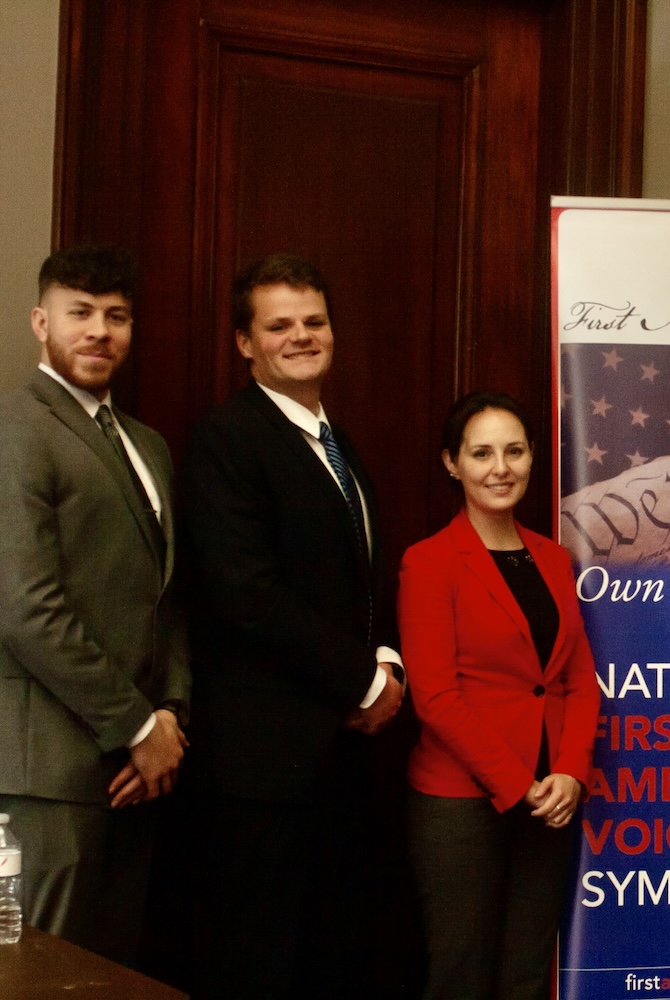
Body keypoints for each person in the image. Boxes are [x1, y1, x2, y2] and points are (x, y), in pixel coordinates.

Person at [182, 253, 406, 999]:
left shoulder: (337, 442)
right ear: (246, 343)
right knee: (261, 971)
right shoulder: (228, 439)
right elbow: (245, 595)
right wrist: (362, 679)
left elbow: (358, 577)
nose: (302, 336)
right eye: (280, 325)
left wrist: (385, 659)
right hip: (262, 773)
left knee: (332, 966)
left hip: (339, 766)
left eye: (314, 321)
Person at [0, 245, 189, 965]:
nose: (99, 331)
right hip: (46, 776)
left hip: (138, 775)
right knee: (33, 978)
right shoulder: (15, 428)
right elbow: (25, 605)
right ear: (41, 322)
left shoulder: (148, 446)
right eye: (80, 314)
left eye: (116, 316)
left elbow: (167, 602)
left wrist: (167, 717)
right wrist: (136, 722)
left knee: (107, 982)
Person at [399, 391, 600, 1000]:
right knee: (460, 973)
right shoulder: (429, 562)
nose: (500, 467)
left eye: (514, 451)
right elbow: (435, 698)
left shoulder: (554, 558)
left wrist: (568, 773)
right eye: (481, 453)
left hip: (550, 800)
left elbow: (577, 682)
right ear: (451, 463)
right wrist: (520, 784)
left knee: (525, 972)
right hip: (463, 801)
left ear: (533, 457)